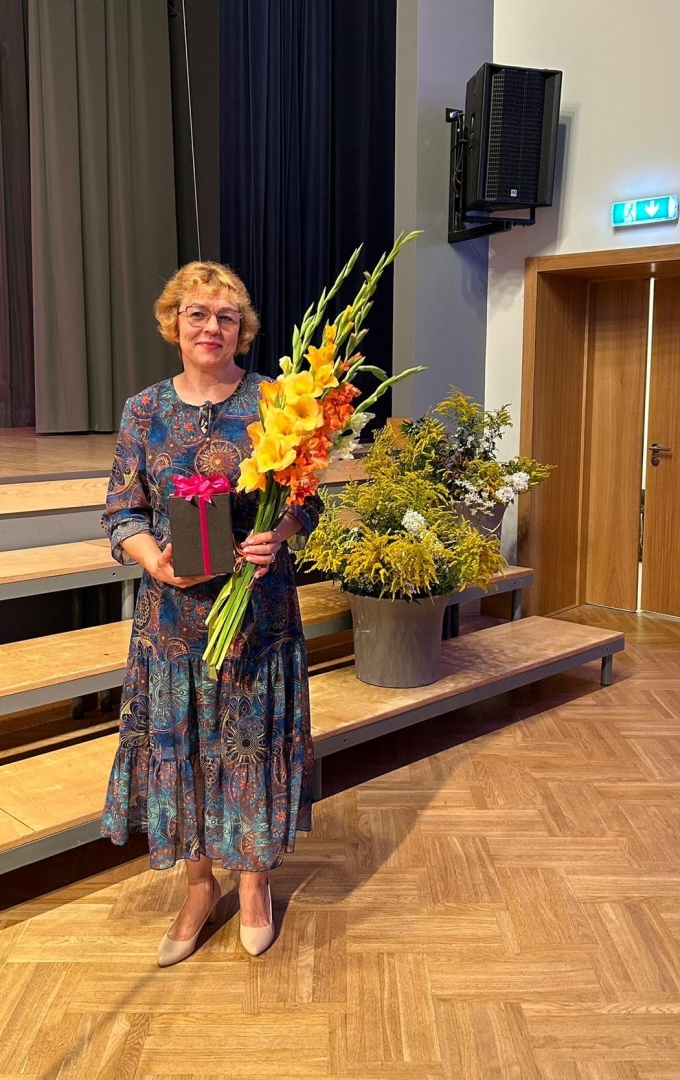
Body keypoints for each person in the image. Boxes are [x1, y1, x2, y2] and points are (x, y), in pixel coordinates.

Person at [101, 261, 322, 964]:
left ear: (242, 330)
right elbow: (122, 510)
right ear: (174, 323)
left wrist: (277, 533)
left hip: (257, 620)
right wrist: (154, 561)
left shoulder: (274, 403)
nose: (211, 327)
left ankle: (254, 882)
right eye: (197, 313)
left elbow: (307, 501)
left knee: (250, 747)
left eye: (226, 316)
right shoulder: (143, 410)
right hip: (172, 627)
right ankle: (200, 888)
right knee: (188, 751)